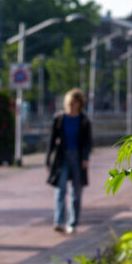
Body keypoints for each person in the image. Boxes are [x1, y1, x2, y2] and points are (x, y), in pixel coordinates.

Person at [46, 88, 92, 235]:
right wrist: (48, 159)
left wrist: (85, 158)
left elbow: (87, 142)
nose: (72, 106)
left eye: (75, 104)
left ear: (80, 105)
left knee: (76, 192)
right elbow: (52, 141)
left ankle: (72, 223)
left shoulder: (84, 120)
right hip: (62, 157)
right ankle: (59, 221)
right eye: (70, 103)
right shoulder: (59, 119)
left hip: (77, 157)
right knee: (60, 189)